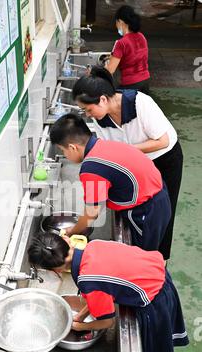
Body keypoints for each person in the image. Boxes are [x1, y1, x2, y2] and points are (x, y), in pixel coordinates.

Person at [27, 232, 189, 352]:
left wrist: (77, 327)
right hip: (160, 276)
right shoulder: (93, 246)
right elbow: (102, 287)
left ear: (55, 270)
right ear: (66, 242)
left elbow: (107, 322)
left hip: (154, 299)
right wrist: (80, 317)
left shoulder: (88, 279)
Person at [72, 67, 183, 261]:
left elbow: (162, 141)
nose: (88, 115)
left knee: (163, 210)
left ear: (103, 99)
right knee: (140, 206)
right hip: (137, 163)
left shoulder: (140, 103)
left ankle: (160, 260)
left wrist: (127, 152)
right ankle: (141, 250)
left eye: (88, 109)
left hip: (164, 159)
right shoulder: (101, 118)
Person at [49, 113, 171, 253]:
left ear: (72, 147)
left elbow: (92, 212)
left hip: (147, 211)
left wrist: (72, 231)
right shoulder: (104, 145)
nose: (65, 156)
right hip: (159, 196)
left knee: (143, 261)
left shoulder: (92, 167)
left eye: (63, 151)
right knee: (152, 255)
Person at [104, 5, 150, 94]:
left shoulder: (121, 43)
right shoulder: (141, 36)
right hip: (145, 82)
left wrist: (95, 72)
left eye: (116, 22)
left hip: (131, 84)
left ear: (120, 22)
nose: (116, 26)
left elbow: (110, 71)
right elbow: (134, 55)